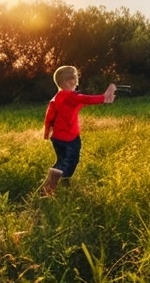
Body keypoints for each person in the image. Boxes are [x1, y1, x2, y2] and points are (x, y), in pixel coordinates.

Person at [41, 65, 116, 195]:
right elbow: (85, 99)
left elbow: (50, 116)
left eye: (76, 78)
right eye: (73, 78)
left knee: (62, 160)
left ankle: (60, 187)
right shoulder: (70, 97)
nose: (76, 81)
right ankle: (49, 188)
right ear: (65, 81)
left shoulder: (59, 97)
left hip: (57, 138)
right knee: (70, 162)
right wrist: (105, 97)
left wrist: (48, 133)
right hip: (70, 138)